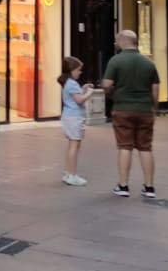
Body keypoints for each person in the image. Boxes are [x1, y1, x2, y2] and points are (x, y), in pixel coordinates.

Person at [101, 29, 159, 199]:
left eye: (116, 41)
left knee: (125, 147)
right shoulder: (149, 63)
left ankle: (123, 185)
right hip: (145, 110)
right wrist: (153, 108)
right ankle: (149, 187)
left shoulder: (116, 61)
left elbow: (106, 84)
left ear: (122, 41)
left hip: (123, 109)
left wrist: (112, 94)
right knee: (145, 148)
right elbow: (155, 90)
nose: (115, 43)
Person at [58, 56, 92, 186]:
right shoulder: (71, 83)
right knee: (74, 145)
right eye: (78, 70)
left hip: (70, 117)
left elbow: (75, 96)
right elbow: (79, 100)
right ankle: (72, 175)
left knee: (73, 145)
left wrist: (83, 89)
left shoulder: (69, 83)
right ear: (71, 70)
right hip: (74, 118)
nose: (80, 72)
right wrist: (89, 93)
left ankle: (68, 173)